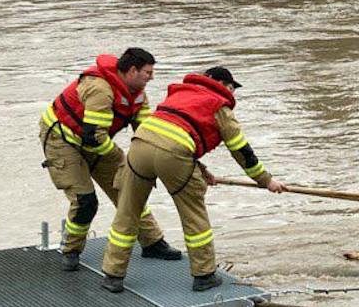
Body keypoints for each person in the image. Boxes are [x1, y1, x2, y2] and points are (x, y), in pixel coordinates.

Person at [100, 66, 286, 293]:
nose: (232, 92)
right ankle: (204, 275)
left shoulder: (180, 92)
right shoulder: (220, 105)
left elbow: (172, 130)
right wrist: (266, 180)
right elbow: (241, 150)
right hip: (174, 155)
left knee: (127, 212)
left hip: (139, 145)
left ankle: (112, 274)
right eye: (231, 87)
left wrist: (199, 168)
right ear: (220, 84)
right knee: (193, 215)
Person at [39, 48, 182, 271]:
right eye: (148, 72)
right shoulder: (100, 90)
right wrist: (122, 159)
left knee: (130, 188)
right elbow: (93, 136)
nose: (152, 77)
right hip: (63, 141)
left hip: (95, 141)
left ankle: (152, 242)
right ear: (132, 71)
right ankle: (71, 250)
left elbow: (145, 133)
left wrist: (161, 157)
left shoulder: (139, 94)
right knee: (85, 200)